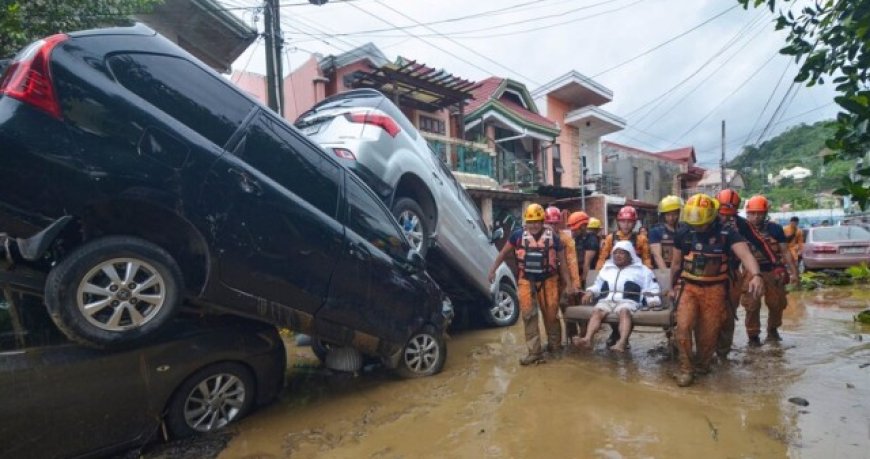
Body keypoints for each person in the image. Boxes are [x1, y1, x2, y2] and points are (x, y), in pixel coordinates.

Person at [669, 193, 764, 387]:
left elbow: (745, 255)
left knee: (708, 334)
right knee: (683, 326)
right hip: (689, 287)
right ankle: (686, 368)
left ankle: (703, 366)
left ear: (712, 216)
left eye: (701, 224)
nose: (697, 227)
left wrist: (756, 275)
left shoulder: (727, 233)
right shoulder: (683, 232)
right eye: (694, 224)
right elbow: (676, 263)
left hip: (715, 290)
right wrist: (671, 287)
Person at [489, 203, 576, 365]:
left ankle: (555, 347)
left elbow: (563, 264)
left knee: (551, 315)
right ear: (526, 222)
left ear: (543, 221)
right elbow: (503, 253)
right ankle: (534, 352)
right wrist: (492, 270)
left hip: (549, 280)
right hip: (526, 280)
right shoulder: (517, 236)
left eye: (537, 221)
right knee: (529, 316)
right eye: (531, 221)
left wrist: (569, 284)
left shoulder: (554, 239)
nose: (534, 225)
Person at [573, 241, 661, 352]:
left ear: (630, 255)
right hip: (607, 299)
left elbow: (652, 286)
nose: (618, 256)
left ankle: (622, 342)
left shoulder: (642, 270)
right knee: (597, 311)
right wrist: (590, 292)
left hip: (628, 300)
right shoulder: (606, 268)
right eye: (615, 253)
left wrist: (653, 300)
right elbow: (598, 285)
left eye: (622, 253)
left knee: (624, 312)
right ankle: (587, 339)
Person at [741, 195, 800, 345]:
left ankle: (773, 331)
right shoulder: (742, 229)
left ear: (765, 213)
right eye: (752, 213)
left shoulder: (775, 229)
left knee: (776, 303)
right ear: (747, 214)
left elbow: (785, 251)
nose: (756, 217)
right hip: (751, 273)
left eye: (759, 213)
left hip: (773, 271)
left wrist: (794, 273)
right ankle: (753, 336)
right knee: (752, 305)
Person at [595, 205, 652, 346]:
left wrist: (646, 277)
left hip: (632, 277)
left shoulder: (641, 240)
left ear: (634, 223)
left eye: (629, 221)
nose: (626, 224)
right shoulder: (610, 238)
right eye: (623, 221)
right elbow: (603, 257)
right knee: (609, 302)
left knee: (627, 306)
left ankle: (622, 338)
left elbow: (646, 259)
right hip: (613, 276)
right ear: (618, 222)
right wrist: (597, 274)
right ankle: (616, 333)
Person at [545, 205, 582, 348]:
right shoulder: (539, 238)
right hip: (547, 282)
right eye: (550, 223)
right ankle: (554, 343)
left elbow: (572, 263)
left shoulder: (566, 240)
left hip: (563, 282)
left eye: (555, 223)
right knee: (550, 314)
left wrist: (573, 285)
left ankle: (572, 338)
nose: (553, 226)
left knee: (568, 311)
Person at [649, 195, 684, 270]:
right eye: (668, 214)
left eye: (674, 214)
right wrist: (667, 275)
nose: (671, 218)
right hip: (663, 271)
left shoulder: (683, 229)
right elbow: (657, 256)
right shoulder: (656, 231)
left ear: (678, 213)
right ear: (663, 215)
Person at [567, 211, 591, 285]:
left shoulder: (591, 239)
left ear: (583, 226)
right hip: (577, 274)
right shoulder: (576, 238)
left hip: (589, 276)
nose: (573, 231)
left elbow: (587, 263)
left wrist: (583, 280)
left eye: (575, 229)